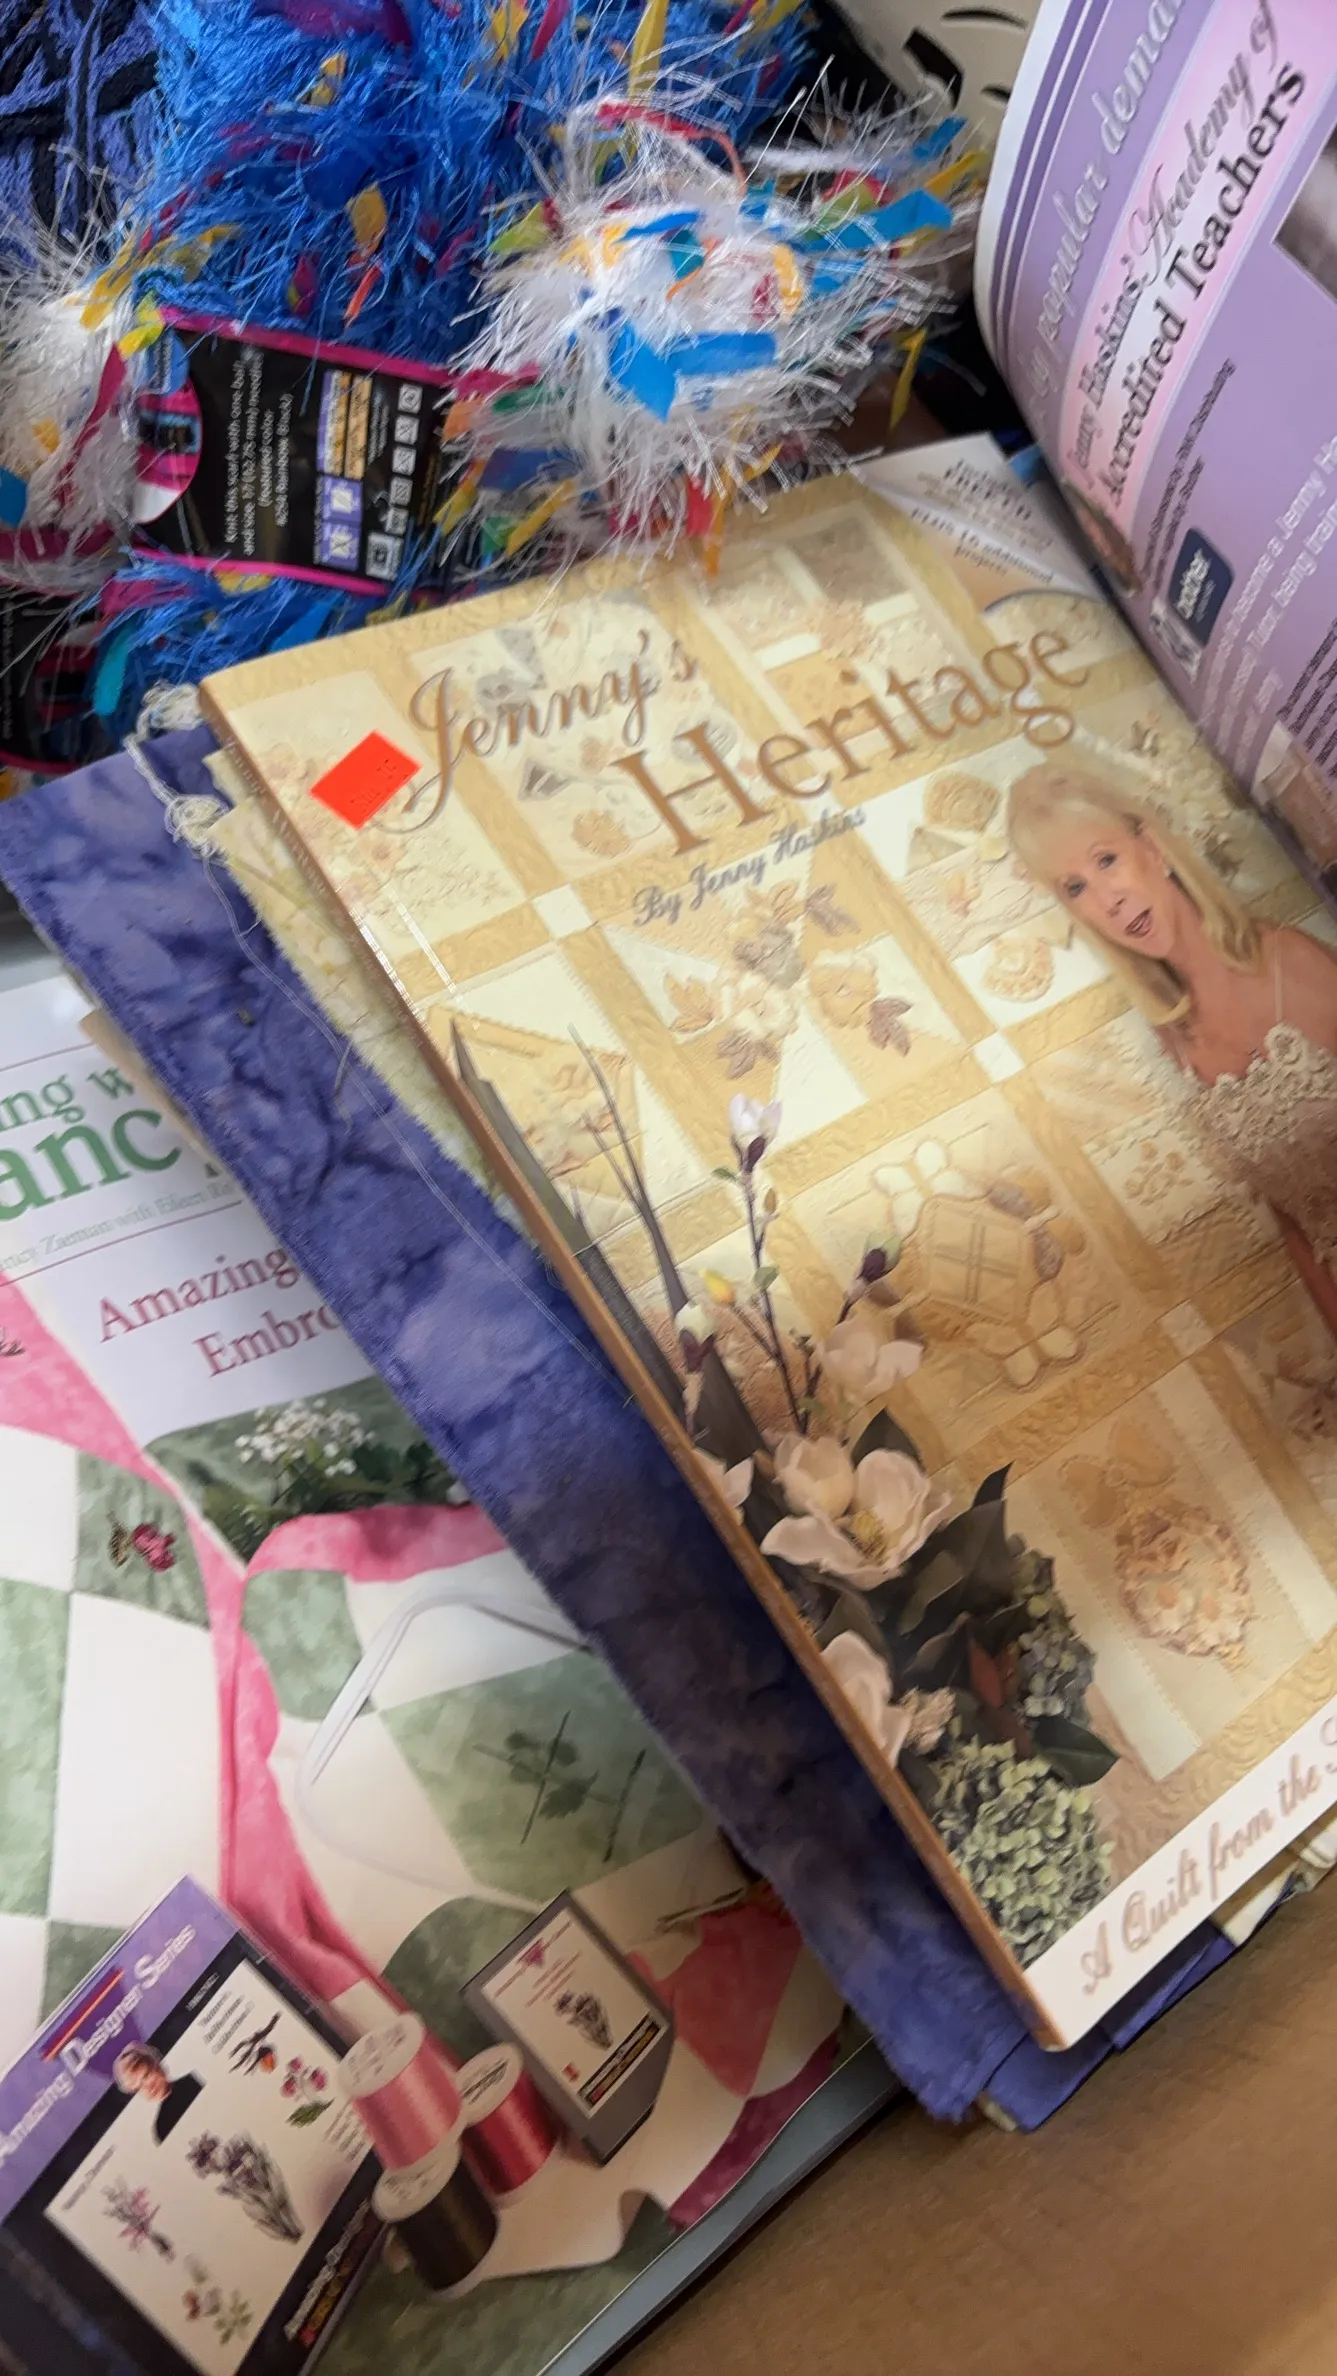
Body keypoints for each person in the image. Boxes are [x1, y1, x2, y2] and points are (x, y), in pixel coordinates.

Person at [1007, 761, 1337, 1338]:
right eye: (1075, 887)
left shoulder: (1289, 961)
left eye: (1105, 860)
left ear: (1152, 847)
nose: (1107, 899)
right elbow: (1295, 1224)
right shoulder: (1174, 1043)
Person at [113, 2043, 205, 2145]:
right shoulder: (161, 2126)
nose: (147, 2088)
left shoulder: (195, 2080)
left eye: (146, 2076)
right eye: (138, 2088)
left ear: (157, 2065)